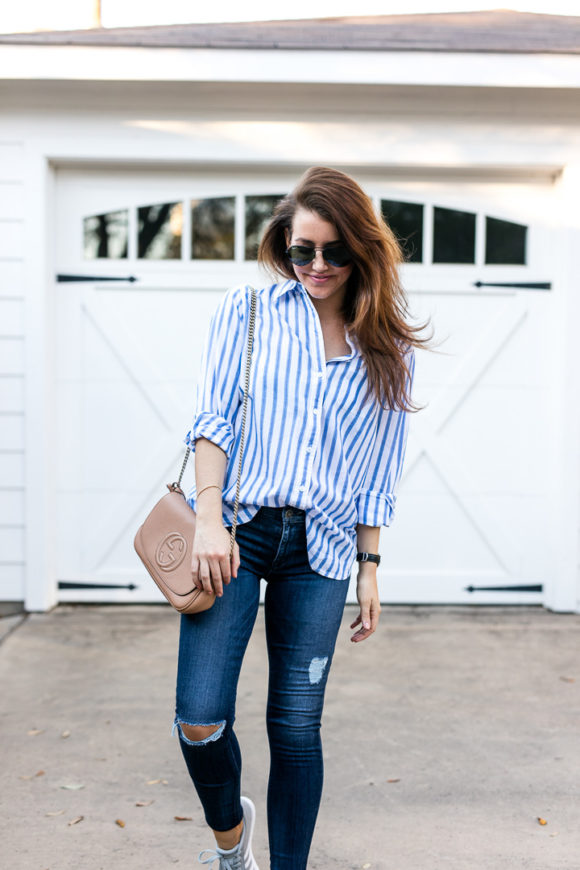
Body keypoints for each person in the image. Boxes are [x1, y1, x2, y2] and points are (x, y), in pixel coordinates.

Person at [173, 166, 429, 870]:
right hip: (237, 532)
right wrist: (207, 517)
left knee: (294, 730)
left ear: (361, 252)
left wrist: (369, 568)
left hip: (319, 550)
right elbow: (214, 420)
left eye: (334, 252)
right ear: (285, 245)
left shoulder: (389, 350)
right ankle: (231, 840)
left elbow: (377, 468)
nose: (317, 266)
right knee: (199, 719)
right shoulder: (249, 313)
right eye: (302, 250)